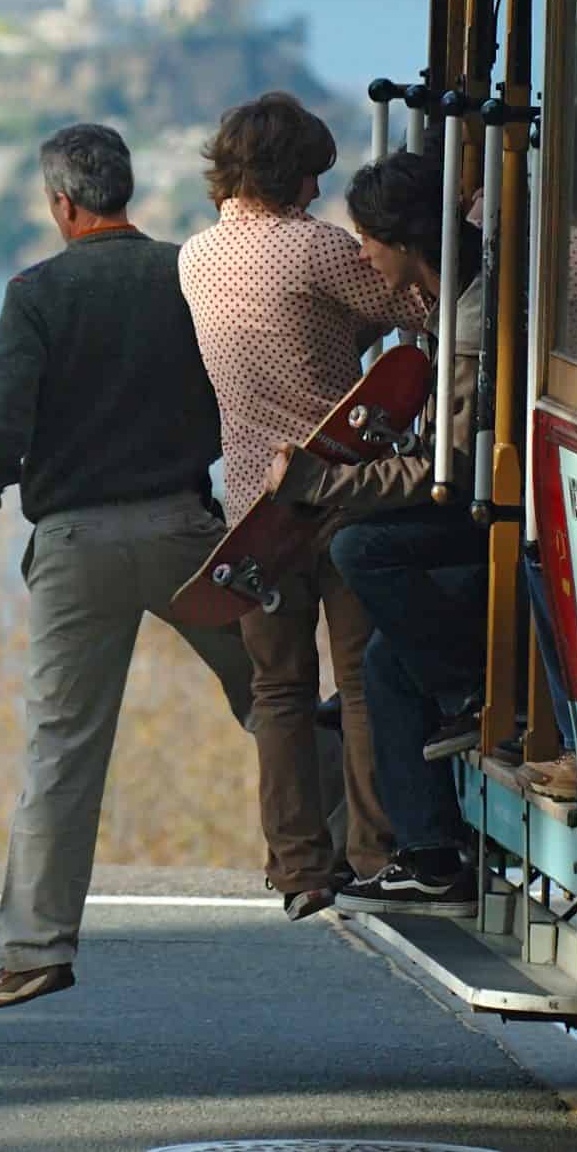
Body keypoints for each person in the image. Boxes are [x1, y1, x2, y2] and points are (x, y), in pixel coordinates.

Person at [0, 122, 256, 1010]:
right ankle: (360, 850)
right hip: (185, 533)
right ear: (124, 191)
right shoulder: (183, 275)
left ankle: (37, 950)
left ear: (62, 204)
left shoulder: (36, 293)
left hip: (76, 550)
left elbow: (0, 424)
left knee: (62, 752)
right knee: (273, 693)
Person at [177, 92, 430, 918]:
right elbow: (417, 304)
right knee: (359, 680)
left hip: (254, 505)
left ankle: (295, 868)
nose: (322, 193)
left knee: (278, 690)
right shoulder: (319, 248)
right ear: (293, 173)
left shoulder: (196, 257)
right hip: (343, 490)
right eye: (316, 175)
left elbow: (282, 337)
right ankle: (372, 848)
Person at [268, 148, 490, 918]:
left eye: (368, 239)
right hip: (474, 512)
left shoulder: (471, 320)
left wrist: (325, 485)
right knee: (389, 666)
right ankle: (429, 855)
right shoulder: (445, 308)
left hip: (493, 524)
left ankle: (468, 685)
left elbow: (454, 472)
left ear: (404, 240)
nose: (362, 255)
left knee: (358, 546)